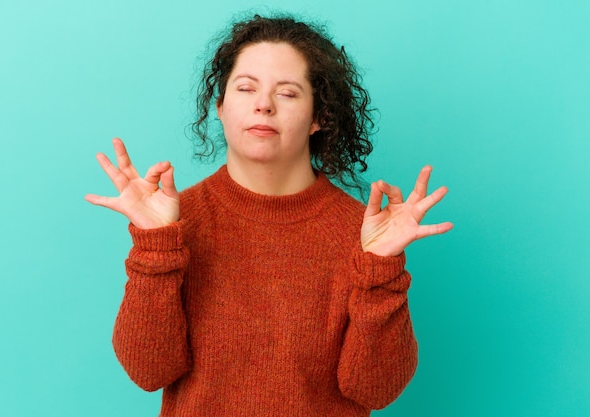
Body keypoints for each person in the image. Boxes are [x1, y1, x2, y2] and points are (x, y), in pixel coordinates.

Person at [85, 14, 452, 417]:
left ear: (320, 117)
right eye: (246, 88)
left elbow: (374, 391)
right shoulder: (173, 223)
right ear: (221, 108)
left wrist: (381, 273)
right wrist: (155, 249)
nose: (263, 104)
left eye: (289, 93)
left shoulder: (364, 235)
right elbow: (149, 371)